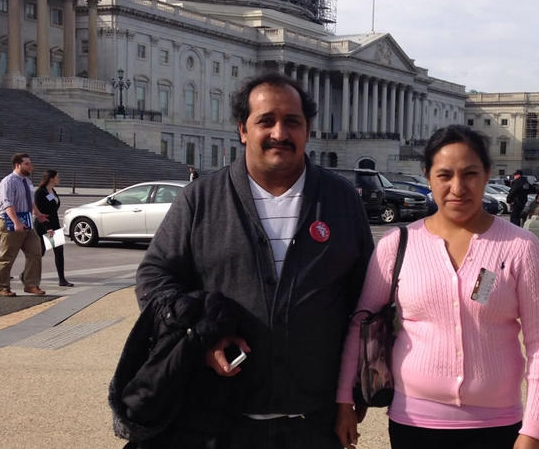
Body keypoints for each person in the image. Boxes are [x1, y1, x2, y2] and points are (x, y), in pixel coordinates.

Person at [131, 72, 374, 448]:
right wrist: (200, 335)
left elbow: (364, 300)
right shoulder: (201, 199)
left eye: (292, 122)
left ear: (307, 129)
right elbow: (154, 277)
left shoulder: (341, 199)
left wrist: (351, 391)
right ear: (243, 130)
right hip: (220, 420)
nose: (280, 133)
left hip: (315, 420)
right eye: (266, 121)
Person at [336, 125, 539, 449]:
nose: (458, 187)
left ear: (487, 174)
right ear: (428, 176)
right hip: (414, 422)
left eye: (470, 173)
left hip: (496, 424)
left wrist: (535, 429)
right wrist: (345, 397)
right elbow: (362, 323)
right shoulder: (398, 244)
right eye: (445, 175)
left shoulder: (520, 247)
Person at [0, 153, 48, 297]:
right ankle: (2, 287)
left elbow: (30, 202)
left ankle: (31, 285)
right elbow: (7, 203)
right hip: (10, 223)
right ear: (18, 165)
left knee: (35, 253)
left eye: (30, 163)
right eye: (27, 164)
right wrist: (16, 222)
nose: (31, 166)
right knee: (7, 256)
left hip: (27, 222)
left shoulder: (28, 182)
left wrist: (38, 214)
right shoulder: (8, 181)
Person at [34, 170, 73, 287]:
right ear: (51, 178)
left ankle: (62, 280)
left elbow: (53, 209)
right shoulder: (40, 192)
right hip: (45, 225)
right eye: (57, 177)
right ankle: (25, 274)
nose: (59, 178)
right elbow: (40, 213)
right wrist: (48, 228)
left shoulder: (52, 191)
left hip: (54, 224)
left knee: (57, 252)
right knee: (41, 252)